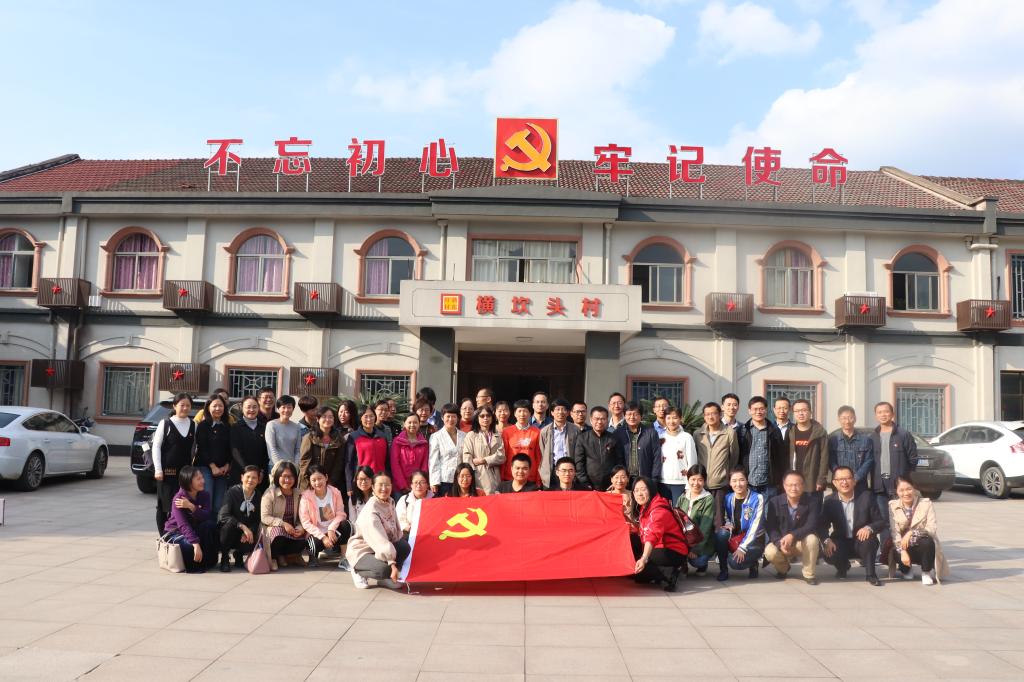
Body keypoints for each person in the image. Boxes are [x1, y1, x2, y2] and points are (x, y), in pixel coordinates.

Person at [821, 466, 884, 586]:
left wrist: (869, 528)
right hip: (841, 541)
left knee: (869, 542)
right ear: (834, 483)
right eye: (840, 479)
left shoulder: (866, 497)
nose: (844, 482)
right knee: (828, 552)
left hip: (861, 541)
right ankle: (843, 567)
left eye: (847, 478)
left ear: (854, 481)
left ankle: (871, 574)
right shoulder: (829, 501)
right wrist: (826, 540)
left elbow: (880, 522)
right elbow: (822, 525)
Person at [870, 401, 918, 559]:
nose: (883, 415)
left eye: (886, 412)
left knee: (901, 520)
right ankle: (886, 553)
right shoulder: (873, 436)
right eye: (879, 412)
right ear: (876, 415)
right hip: (879, 485)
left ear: (892, 414)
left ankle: (903, 551)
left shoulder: (903, 434)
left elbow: (913, 459)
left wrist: (904, 479)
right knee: (884, 521)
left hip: (899, 486)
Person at [346, 472, 408, 590]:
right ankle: (358, 571)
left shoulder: (390, 501)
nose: (384, 488)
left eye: (387, 485)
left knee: (404, 547)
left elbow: (396, 528)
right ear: (373, 487)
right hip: (363, 550)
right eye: (380, 485)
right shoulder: (371, 510)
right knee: (383, 569)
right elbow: (379, 541)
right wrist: (392, 564)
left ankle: (386, 579)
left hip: (379, 546)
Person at [630, 476, 688, 591]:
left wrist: (644, 558)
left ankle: (670, 573)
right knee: (634, 570)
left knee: (636, 566)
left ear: (651, 490)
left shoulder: (658, 510)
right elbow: (644, 531)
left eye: (643, 489)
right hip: (658, 546)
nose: (639, 494)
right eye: (636, 490)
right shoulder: (645, 507)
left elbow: (652, 535)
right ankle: (660, 571)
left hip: (674, 550)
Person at [889, 476, 949, 585]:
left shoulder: (926, 504)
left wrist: (911, 533)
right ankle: (906, 569)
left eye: (909, 489)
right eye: (901, 490)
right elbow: (895, 533)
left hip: (922, 545)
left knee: (927, 542)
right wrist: (902, 551)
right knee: (895, 549)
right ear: (896, 491)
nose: (906, 493)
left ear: (914, 488)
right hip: (904, 546)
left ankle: (926, 572)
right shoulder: (892, 506)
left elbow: (931, 528)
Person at [764, 470, 821, 584]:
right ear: (784, 486)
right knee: (769, 551)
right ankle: (784, 569)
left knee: (812, 539)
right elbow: (771, 527)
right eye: (790, 485)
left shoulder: (812, 502)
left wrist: (792, 535)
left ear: (803, 486)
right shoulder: (774, 502)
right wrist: (779, 543)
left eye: (797, 485)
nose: (793, 488)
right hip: (783, 542)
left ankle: (809, 574)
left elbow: (811, 525)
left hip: (801, 542)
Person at [152, 392, 196, 533]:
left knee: (181, 505)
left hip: (185, 474)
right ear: (175, 406)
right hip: (167, 472)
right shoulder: (165, 423)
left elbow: (195, 449)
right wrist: (158, 469)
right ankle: (163, 535)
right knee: (164, 506)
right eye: (182, 405)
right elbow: (156, 446)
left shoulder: (193, 424)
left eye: (188, 405)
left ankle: (178, 533)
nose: (185, 408)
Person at [163, 465, 219, 573]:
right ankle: (194, 566)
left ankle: (208, 562)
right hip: (175, 532)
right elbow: (183, 525)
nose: (203, 481)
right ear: (188, 482)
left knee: (210, 525)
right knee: (189, 546)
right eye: (198, 479)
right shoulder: (178, 499)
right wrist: (195, 543)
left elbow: (206, 516)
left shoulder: (204, 495)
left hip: (193, 528)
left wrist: (192, 507)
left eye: (202, 477)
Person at [714, 467, 766, 581]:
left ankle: (753, 562)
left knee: (734, 563)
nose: (738, 484)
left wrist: (742, 548)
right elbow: (727, 516)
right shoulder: (728, 498)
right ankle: (723, 570)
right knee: (721, 534)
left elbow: (755, 526)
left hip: (754, 541)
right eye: (734, 481)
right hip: (736, 537)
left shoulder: (757, 498)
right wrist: (729, 523)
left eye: (741, 480)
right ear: (730, 483)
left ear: (747, 481)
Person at [695, 402, 739, 527]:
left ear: (720, 415)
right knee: (701, 521)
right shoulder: (697, 434)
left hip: (720, 485)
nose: (710, 417)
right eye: (707, 414)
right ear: (704, 416)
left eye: (714, 413)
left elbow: (734, 457)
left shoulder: (729, 433)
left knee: (718, 522)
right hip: (701, 485)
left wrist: (726, 476)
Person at [300, 464, 351, 568]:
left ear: (326, 477)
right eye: (313, 480)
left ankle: (343, 558)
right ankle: (313, 557)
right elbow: (305, 522)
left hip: (333, 531)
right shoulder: (306, 497)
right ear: (310, 481)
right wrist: (323, 537)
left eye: (320, 478)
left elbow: (341, 514)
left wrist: (331, 529)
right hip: (317, 533)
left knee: (346, 525)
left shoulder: (335, 492)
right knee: (313, 545)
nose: (317, 483)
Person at [260, 461, 307, 570]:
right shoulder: (270, 493)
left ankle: (290, 556)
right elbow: (265, 517)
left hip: (292, 529)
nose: (287, 480)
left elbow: (303, 517)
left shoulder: (299, 494)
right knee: (278, 533)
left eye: (290, 477)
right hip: (273, 528)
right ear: (278, 477)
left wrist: (301, 528)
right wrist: (283, 524)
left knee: (307, 536)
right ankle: (274, 557)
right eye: (284, 476)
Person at [217, 464, 261, 572]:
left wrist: (250, 530)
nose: (250, 480)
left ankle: (239, 554)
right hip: (232, 529)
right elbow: (223, 515)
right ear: (242, 477)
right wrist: (242, 526)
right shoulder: (232, 492)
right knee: (227, 527)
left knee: (255, 534)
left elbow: (258, 519)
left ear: (258, 480)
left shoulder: (258, 496)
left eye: (254, 477)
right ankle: (225, 558)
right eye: (248, 477)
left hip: (246, 532)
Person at [742, 396, 786, 500]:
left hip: (769, 484)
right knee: (750, 510)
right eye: (755, 409)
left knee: (769, 510)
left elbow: (781, 457)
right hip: (749, 483)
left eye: (761, 409)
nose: (758, 412)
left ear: (766, 410)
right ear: (749, 411)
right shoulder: (743, 430)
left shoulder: (774, 430)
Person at [194, 393, 231, 515]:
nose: (218, 409)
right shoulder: (203, 426)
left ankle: (215, 526)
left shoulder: (227, 426)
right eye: (214, 406)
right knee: (207, 501)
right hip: (205, 467)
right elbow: (202, 448)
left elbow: (231, 448)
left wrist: (227, 465)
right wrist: (213, 466)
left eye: (220, 406)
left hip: (222, 470)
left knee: (218, 505)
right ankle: (204, 526)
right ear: (208, 407)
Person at [574, 406, 625, 491]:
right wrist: (585, 483)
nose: (599, 422)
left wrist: (615, 482)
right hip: (588, 486)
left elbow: (619, 462)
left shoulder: (614, 438)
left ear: (607, 420)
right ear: (591, 420)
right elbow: (579, 463)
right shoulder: (582, 438)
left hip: (610, 486)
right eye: (596, 419)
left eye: (603, 419)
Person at [787, 399, 829, 503]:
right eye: (797, 411)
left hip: (813, 482)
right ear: (793, 413)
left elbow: (825, 458)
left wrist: (821, 479)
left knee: (814, 511)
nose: (800, 413)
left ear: (810, 412)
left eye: (804, 410)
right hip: (795, 482)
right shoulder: (791, 432)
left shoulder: (820, 432)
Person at [678, 464, 716, 575]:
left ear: (704, 481)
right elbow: (676, 519)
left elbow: (705, 528)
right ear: (688, 479)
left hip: (699, 541)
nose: (696, 483)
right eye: (693, 479)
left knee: (698, 561)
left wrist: (695, 549)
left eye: (700, 480)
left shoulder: (708, 499)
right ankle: (682, 564)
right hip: (684, 539)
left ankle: (703, 565)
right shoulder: (683, 497)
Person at [828, 405, 874, 495]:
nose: (847, 421)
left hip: (860, 483)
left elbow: (869, 460)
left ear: (855, 419)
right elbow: (831, 460)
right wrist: (841, 477)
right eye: (844, 418)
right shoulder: (833, 440)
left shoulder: (865, 440)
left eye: (850, 418)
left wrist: (856, 478)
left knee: (862, 503)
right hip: (840, 483)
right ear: (839, 419)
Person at [298, 406, 346, 491]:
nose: (327, 419)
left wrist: (330, 482)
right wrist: (311, 481)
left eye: (330, 417)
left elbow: (339, 463)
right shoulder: (309, 437)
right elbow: (304, 462)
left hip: (330, 484)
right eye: (324, 416)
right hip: (309, 483)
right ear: (318, 419)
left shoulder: (339, 439)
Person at [230, 396, 270, 496]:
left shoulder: (264, 427)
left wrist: (261, 471)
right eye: (248, 407)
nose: (251, 410)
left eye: (254, 407)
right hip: (241, 473)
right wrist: (247, 471)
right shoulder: (236, 427)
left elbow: (266, 452)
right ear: (242, 408)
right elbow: (235, 451)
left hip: (259, 476)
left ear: (258, 408)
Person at [615, 401, 662, 484]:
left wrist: (654, 479)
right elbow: (615, 458)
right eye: (629, 414)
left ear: (641, 416)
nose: (632, 417)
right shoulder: (618, 433)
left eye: (635, 414)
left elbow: (657, 457)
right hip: (624, 480)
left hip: (645, 479)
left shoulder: (651, 433)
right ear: (624, 415)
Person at [345, 404, 389, 493]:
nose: (369, 419)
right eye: (366, 417)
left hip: (379, 481)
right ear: (360, 418)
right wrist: (349, 485)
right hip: (362, 481)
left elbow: (387, 461)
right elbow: (348, 462)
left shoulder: (382, 436)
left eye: (371, 416)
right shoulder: (354, 437)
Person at [461, 405, 505, 495]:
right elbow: (467, 457)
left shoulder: (497, 435)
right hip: (478, 476)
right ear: (477, 418)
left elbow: (501, 456)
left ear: (492, 418)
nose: (485, 418)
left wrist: (484, 460)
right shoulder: (471, 435)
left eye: (488, 415)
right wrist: (470, 475)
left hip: (495, 475)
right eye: (482, 416)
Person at [659, 406, 697, 504]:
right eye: (668, 418)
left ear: (680, 419)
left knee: (678, 511)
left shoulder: (687, 437)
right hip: (662, 482)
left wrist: (690, 484)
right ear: (664, 419)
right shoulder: (660, 437)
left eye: (675, 418)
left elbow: (692, 462)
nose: (671, 421)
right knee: (664, 511)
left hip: (681, 483)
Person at [501, 399, 543, 486]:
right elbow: (503, 456)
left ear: (530, 414)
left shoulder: (537, 432)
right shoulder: (506, 432)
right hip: (510, 477)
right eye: (519, 411)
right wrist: (501, 478)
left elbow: (539, 457)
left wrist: (538, 480)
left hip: (530, 478)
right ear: (514, 413)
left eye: (525, 411)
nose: (522, 414)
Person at [539, 399, 580, 488]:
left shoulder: (575, 430)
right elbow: (542, 452)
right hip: (551, 470)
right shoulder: (544, 431)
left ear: (568, 413)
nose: (560, 412)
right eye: (557, 409)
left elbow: (578, 452)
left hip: (569, 471)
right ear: (552, 412)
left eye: (563, 409)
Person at [429, 403, 464, 496]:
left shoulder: (464, 435)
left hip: (461, 479)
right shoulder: (436, 436)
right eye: (448, 416)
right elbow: (433, 460)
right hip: (444, 480)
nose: (451, 419)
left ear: (458, 418)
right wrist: (434, 481)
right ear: (442, 417)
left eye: (454, 416)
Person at [390, 413, 429, 497]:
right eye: (409, 422)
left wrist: (420, 483)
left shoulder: (423, 443)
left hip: (418, 486)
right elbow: (395, 465)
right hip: (399, 487)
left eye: (415, 422)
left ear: (419, 424)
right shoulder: (397, 441)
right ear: (404, 424)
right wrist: (403, 486)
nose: (412, 425)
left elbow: (424, 465)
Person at [266, 395, 301, 472]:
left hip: (292, 467)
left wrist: (295, 466)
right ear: (278, 409)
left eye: (289, 407)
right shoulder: (271, 425)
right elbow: (271, 448)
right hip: (275, 466)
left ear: (293, 409)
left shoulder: (296, 427)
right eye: (283, 407)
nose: (286, 410)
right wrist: (280, 467)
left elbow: (298, 449)